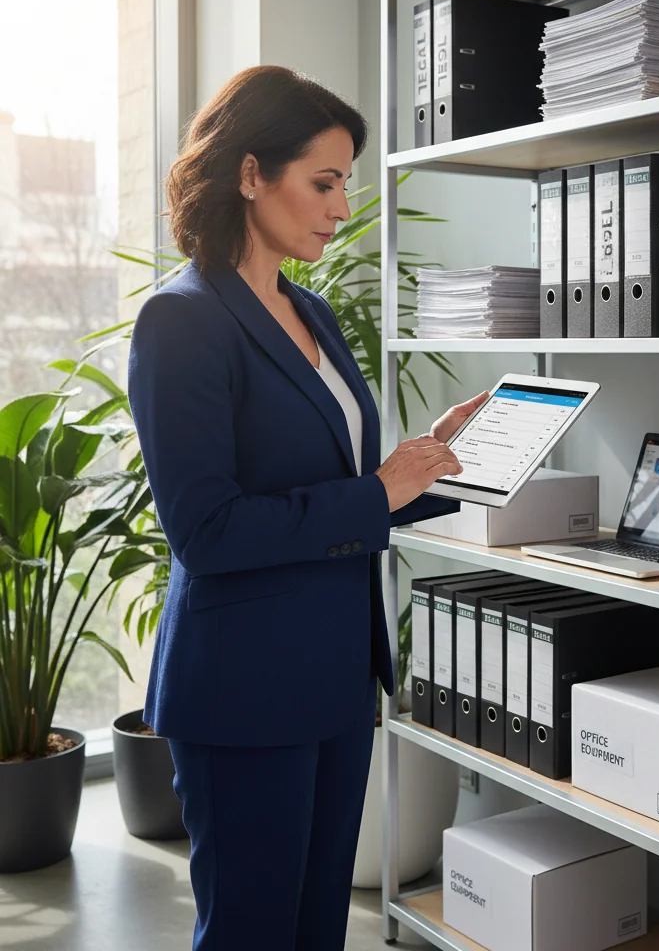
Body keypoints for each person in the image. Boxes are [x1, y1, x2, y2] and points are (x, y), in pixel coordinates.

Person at [127, 64, 486, 950]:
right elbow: (206, 532)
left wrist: (436, 469)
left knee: (319, 928)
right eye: (323, 183)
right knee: (251, 932)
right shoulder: (182, 321)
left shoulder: (313, 311)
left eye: (345, 185)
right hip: (244, 690)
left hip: (335, 682)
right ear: (251, 173)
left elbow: (345, 488)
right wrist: (377, 491)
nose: (340, 208)